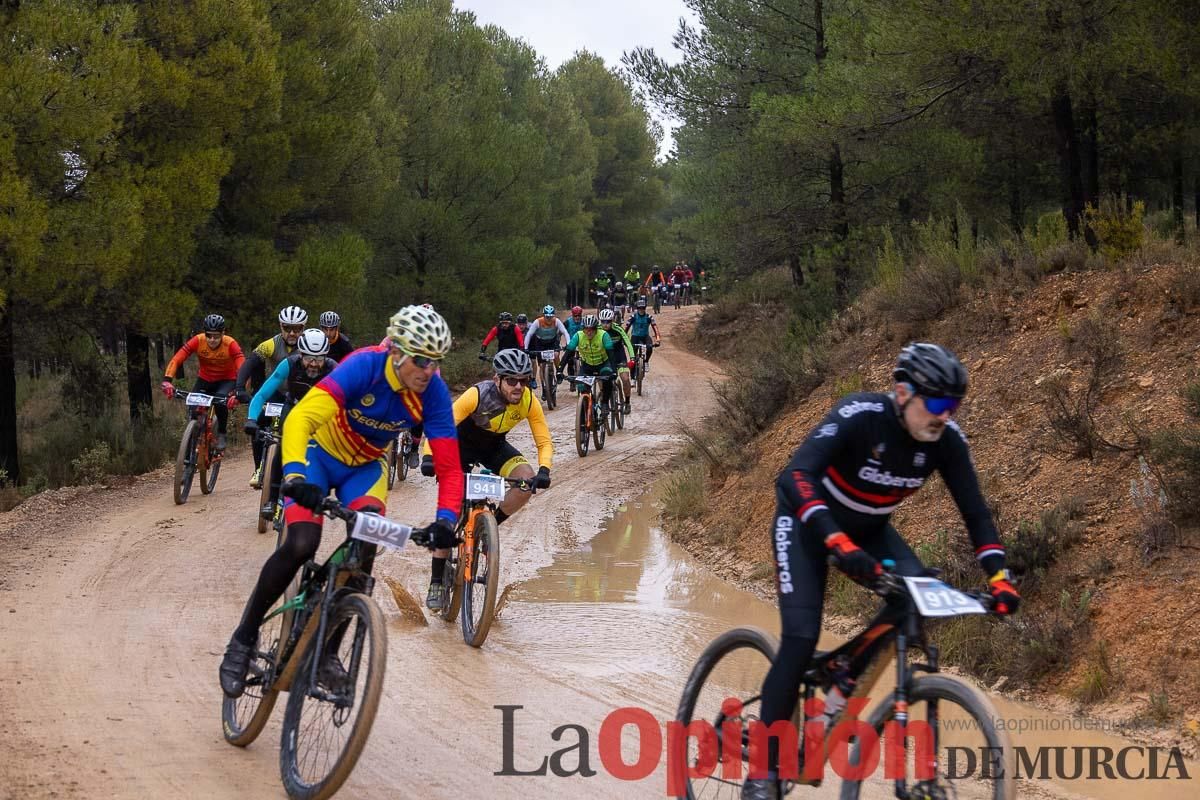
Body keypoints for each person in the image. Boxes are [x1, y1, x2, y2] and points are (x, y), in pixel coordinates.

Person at [741, 343, 1020, 800]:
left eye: (953, 407)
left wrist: (999, 578)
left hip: (868, 531)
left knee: (915, 592)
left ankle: (844, 672)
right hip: (807, 524)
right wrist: (835, 539)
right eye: (936, 404)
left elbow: (977, 515)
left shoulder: (946, 442)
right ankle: (763, 771)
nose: (944, 416)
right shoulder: (860, 414)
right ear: (903, 392)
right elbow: (794, 477)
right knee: (799, 637)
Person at [218, 305, 464, 699]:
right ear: (397, 352)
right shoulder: (362, 366)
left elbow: (451, 469)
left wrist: (445, 521)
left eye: (436, 362)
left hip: (364, 469)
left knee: (363, 551)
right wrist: (296, 475)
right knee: (301, 542)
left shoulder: (431, 392)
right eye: (420, 360)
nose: (428, 370)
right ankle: (243, 639)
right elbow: (300, 420)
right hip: (318, 454)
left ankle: (329, 654)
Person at [418, 348, 553, 609]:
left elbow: (543, 440)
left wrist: (544, 470)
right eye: (511, 380)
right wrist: (428, 455)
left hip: (493, 447)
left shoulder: (527, 400)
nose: (518, 386)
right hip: (458, 447)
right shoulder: (477, 394)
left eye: (523, 380)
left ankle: (488, 527)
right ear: (497, 379)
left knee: (526, 482)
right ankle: (436, 580)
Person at [243, 329, 338, 521]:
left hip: (320, 413)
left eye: (319, 359)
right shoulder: (289, 364)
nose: (313, 364)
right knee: (282, 445)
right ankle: (271, 499)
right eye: (309, 358)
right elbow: (262, 394)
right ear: (300, 354)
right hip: (293, 408)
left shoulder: (333, 369)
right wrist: (252, 418)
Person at [237, 305, 308, 486]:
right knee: (259, 422)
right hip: (276, 392)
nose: (292, 333)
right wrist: (239, 387)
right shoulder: (271, 344)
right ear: (280, 327)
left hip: (299, 395)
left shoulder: (310, 347)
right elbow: (250, 363)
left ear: (304, 328)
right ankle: (259, 468)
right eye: (287, 328)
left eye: (298, 328)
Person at [162, 314, 245, 451]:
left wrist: (239, 390)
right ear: (204, 333)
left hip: (226, 380)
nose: (212, 339)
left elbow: (242, 367)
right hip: (205, 380)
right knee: (194, 408)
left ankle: (222, 433)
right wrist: (167, 380)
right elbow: (177, 359)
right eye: (209, 335)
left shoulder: (230, 344)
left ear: (223, 333)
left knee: (220, 401)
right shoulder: (198, 340)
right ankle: (193, 439)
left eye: (216, 336)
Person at [558, 314, 617, 413]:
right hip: (587, 366)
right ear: (583, 329)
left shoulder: (603, 335)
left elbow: (611, 355)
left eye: (592, 329)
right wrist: (559, 370)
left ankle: (605, 403)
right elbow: (568, 354)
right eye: (586, 329)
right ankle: (589, 406)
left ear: (596, 329)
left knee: (607, 379)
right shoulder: (578, 336)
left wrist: (614, 371)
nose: (589, 332)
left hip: (603, 364)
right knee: (581, 386)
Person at [598, 308, 635, 414]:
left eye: (608, 321)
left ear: (612, 320)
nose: (605, 324)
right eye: (603, 322)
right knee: (601, 379)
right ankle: (604, 397)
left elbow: (628, 343)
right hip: (605, 357)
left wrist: (632, 358)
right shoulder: (597, 329)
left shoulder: (618, 329)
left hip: (619, 356)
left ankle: (627, 402)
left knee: (625, 378)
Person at [524, 305, 569, 390]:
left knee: (556, 355)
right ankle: (544, 386)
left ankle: (559, 372)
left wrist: (569, 344)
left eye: (550, 316)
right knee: (542, 365)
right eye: (547, 316)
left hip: (552, 341)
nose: (549, 319)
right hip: (540, 343)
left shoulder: (556, 321)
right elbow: (529, 334)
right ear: (543, 315)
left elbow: (565, 332)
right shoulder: (538, 322)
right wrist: (526, 347)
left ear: (553, 315)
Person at [624, 299, 661, 370]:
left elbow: (655, 328)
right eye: (639, 308)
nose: (641, 310)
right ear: (637, 308)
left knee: (650, 347)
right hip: (635, 337)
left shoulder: (649, 317)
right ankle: (632, 373)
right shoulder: (633, 317)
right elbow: (626, 328)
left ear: (645, 308)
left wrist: (658, 339)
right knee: (633, 356)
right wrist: (624, 339)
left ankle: (646, 361)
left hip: (645, 336)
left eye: (643, 308)